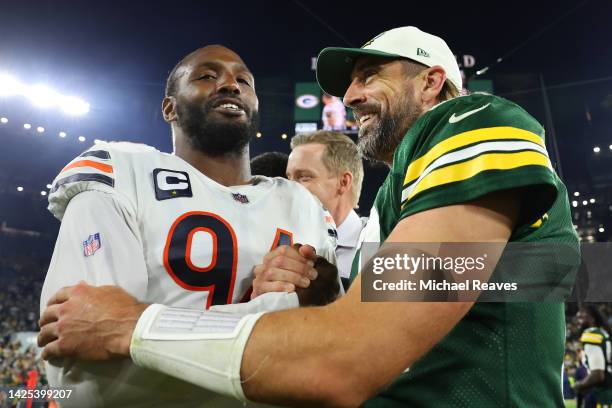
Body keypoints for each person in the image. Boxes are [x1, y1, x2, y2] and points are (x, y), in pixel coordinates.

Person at [38, 26, 580, 407]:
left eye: (371, 75)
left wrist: (131, 324)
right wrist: (326, 296)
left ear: (433, 82)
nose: (351, 95)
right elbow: (523, 280)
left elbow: (346, 360)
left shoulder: (475, 121)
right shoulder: (400, 195)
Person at [38, 44, 339, 407]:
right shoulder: (121, 173)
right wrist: (287, 311)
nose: (230, 85)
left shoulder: (304, 205)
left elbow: (333, 355)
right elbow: (84, 382)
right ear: (170, 107)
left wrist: (322, 299)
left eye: (243, 80)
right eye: (207, 76)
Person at [287, 131, 366, 287]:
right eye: (288, 177)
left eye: (303, 177)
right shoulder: (282, 243)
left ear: (343, 182)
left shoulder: (381, 244)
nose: (288, 187)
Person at [575, 305, 612, 407]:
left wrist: (579, 385)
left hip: (605, 395)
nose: (578, 321)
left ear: (592, 319)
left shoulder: (592, 335)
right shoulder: (604, 334)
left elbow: (597, 375)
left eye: (581, 317)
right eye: (577, 318)